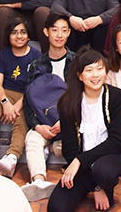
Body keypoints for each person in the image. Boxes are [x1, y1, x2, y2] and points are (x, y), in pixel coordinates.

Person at [47, 47, 121, 212]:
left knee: (103, 172)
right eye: (89, 70)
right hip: (81, 167)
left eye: (99, 69)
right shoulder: (67, 103)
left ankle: (104, 186)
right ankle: (92, 185)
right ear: (79, 76)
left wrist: (80, 163)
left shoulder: (117, 97)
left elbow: (117, 141)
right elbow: (70, 150)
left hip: (109, 159)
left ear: (106, 72)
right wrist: (94, 186)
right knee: (56, 208)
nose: (95, 75)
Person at [21, 12, 75, 202]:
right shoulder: (36, 65)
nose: (59, 35)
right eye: (54, 30)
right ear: (46, 32)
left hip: (69, 124)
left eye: (63, 30)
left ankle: (59, 150)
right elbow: (28, 102)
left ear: (69, 33)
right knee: (32, 138)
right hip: (44, 124)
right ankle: (39, 181)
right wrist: (37, 126)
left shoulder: (76, 62)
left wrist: (66, 121)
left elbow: (83, 98)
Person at [0, 18, 41, 178]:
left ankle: (12, 157)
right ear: (8, 36)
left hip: (26, 96)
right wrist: (5, 103)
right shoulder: (2, 55)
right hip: (4, 93)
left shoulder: (36, 55)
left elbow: (34, 86)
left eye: (23, 32)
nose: (19, 36)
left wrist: (18, 105)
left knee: (23, 117)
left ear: (29, 36)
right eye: (14, 32)